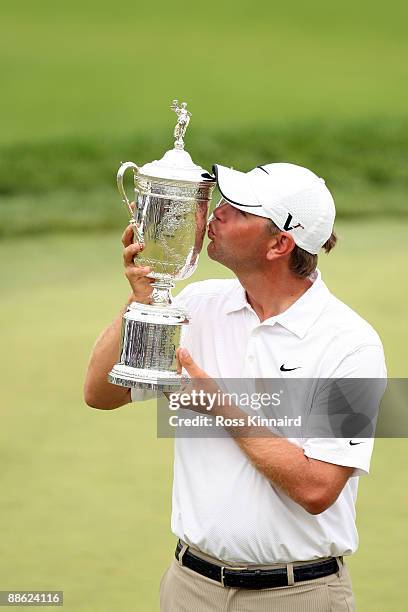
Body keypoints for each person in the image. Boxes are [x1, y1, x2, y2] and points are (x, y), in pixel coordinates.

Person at [84, 162, 386, 611]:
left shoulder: (353, 344)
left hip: (299, 595)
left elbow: (318, 488)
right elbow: (101, 392)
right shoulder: (197, 305)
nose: (217, 213)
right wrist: (140, 301)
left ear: (280, 243)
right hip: (189, 588)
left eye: (239, 209)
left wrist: (221, 406)